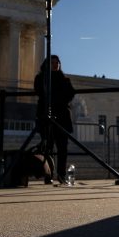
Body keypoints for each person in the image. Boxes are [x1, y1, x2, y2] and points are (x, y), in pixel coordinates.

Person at [34, 55, 76, 183]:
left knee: (62, 147)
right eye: (52, 62)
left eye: (57, 62)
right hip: (47, 115)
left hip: (62, 116)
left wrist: (59, 100)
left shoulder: (65, 79)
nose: (55, 64)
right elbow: (39, 91)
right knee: (48, 146)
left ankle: (61, 175)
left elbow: (71, 93)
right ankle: (49, 174)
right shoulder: (41, 78)